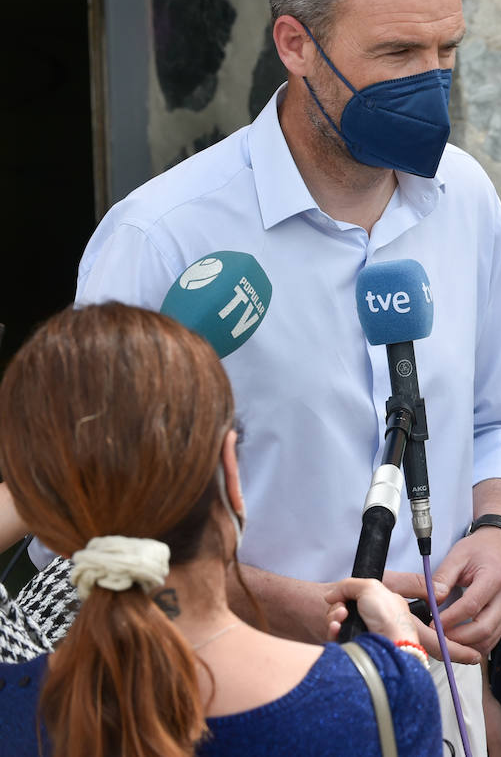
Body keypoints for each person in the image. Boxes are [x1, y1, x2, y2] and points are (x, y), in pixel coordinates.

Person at [71, 0, 501, 751]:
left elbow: (500, 414)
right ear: (296, 44)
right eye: (397, 52)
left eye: (446, 50)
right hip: (232, 695)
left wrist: (498, 528)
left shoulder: (467, 197)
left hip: (435, 686)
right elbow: (90, 513)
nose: (430, 83)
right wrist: (262, 596)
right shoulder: (161, 237)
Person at [0, 303, 443, 756]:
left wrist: (63, 468)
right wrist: (401, 650)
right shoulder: (376, 699)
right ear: (231, 472)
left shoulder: (13, 698)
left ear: (45, 508)